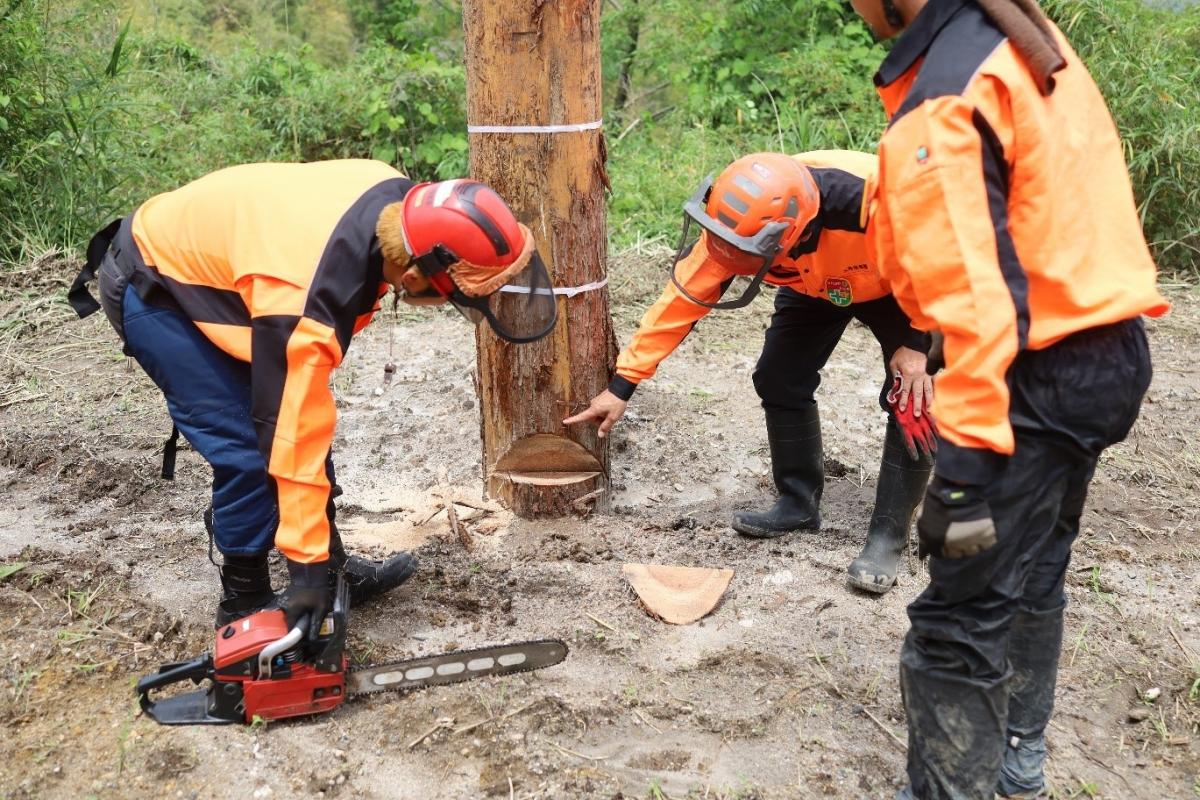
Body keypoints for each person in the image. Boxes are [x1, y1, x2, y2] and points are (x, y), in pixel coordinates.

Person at [846, 0, 1169, 796]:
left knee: (956, 624)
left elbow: (978, 308)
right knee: (1035, 571)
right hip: (1106, 354)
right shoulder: (1021, 40)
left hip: (1032, 377)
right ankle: (1019, 760)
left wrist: (959, 476)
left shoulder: (949, 94)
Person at [69, 160, 558, 637]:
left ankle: (331, 570)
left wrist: (315, 565)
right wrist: (302, 574)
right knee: (250, 446)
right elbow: (286, 424)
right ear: (412, 276)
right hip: (158, 283)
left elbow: (303, 412)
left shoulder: (395, 205)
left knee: (299, 420)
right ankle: (245, 603)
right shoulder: (304, 295)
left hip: (243, 272)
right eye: (455, 296)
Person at [565, 150, 937, 594]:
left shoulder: (881, 204)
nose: (727, 261)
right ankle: (798, 502)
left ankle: (888, 538)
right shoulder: (737, 225)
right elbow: (679, 305)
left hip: (909, 282)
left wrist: (919, 342)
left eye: (742, 255)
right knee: (779, 375)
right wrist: (623, 385)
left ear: (789, 231)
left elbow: (955, 260)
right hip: (812, 279)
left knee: (914, 394)